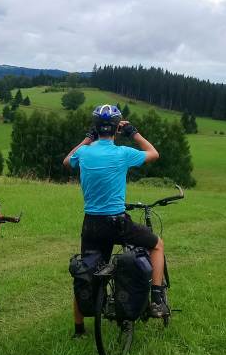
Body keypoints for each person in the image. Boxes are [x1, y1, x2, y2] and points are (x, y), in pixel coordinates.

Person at [63, 104, 166, 337]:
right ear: (116, 130)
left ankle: (79, 329)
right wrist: (133, 132)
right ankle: (157, 300)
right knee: (157, 244)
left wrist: (87, 139)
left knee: (85, 272)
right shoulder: (122, 153)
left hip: (91, 224)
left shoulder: (84, 153)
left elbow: (67, 161)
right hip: (117, 222)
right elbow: (154, 153)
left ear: (96, 128)